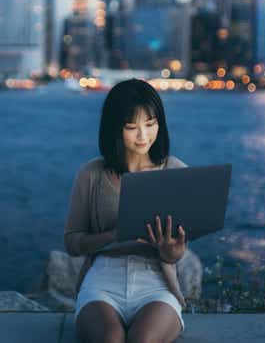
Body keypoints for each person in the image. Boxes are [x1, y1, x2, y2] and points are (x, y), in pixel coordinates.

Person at [64, 78, 189, 343]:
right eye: (132, 127)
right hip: (102, 280)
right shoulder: (92, 174)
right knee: (111, 339)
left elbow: (175, 254)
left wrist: (171, 249)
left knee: (142, 340)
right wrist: (115, 234)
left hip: (156, 280)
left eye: (151, 124)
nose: (144, 136)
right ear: (114, 129)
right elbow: (72, 243)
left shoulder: (175, 171)